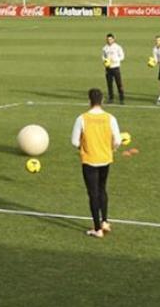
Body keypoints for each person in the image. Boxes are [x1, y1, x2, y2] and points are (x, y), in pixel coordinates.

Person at [71, 88, 121, 238]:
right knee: (102, 189)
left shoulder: (82, 118)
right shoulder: (110, 118)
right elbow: (117, 140)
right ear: (102, 100)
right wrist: (112, 148)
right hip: (105, 159)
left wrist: (83, 146)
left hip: (89, 160)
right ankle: (105, 221)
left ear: (89, 101)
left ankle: (97, 229)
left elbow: (74, 141)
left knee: (93, 194)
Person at [102, 33, 125, 104]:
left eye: (110, 39)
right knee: (109, 84)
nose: (109, 40)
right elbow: (103, 56)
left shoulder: (118, 47)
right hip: (108, 68)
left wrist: (114, 60)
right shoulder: (104, 48)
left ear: (113, 39)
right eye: (108, 39)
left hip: (116, 67)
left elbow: (122, 57)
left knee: (119, 83)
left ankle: (121, 97)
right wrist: (105, 61)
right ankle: (111, 98)